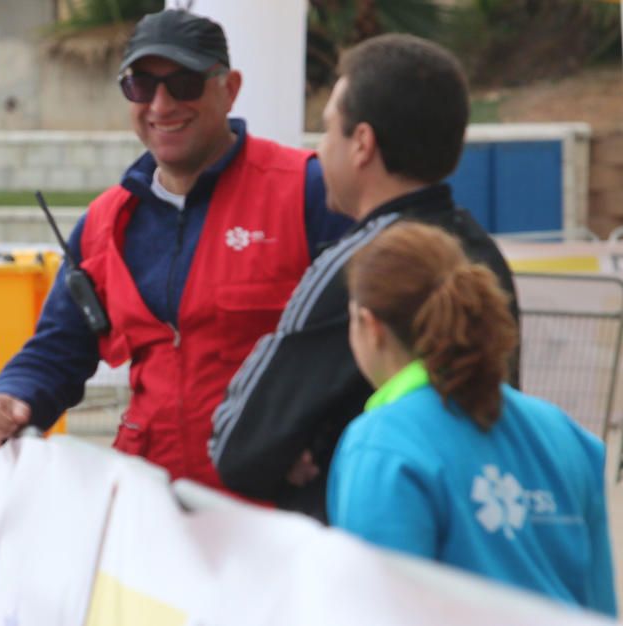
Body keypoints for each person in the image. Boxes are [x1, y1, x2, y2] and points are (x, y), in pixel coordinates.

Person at [0, 8, 351, 491]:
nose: (162, 104)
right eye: (141, 86)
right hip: (154, 506)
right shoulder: (105, 223)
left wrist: (321, 441)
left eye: (185, 83)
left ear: (229, 88)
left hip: (274, 512)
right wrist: (10, 395)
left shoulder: (307, 192)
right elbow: (59, 348)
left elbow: (372, 341)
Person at [210, 34, 520, 519]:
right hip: (476, 549)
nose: (318, 146)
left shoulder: (359, 267)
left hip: (366, 555)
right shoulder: (484, 256)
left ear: (362, 144)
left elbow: (239, 447)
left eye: (328, 128)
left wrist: (311, 445)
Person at [328, 221, 616, 617]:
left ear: (370, 325)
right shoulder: (566, 436)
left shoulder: (382, 446)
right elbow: (599, 606)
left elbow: (378, 612)